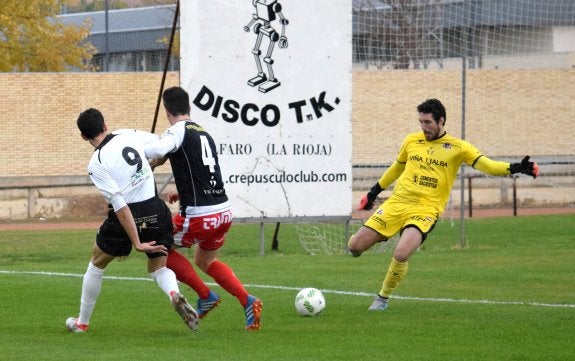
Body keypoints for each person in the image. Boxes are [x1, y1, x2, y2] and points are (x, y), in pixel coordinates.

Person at [348, 98, 539, 311]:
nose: (423, 127)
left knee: (402, 253)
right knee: (354, 246)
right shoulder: (411, 141)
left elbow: (488, 165)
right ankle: (357, 247)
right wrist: (373, 193)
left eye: (428, 122)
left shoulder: (458, 147)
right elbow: (396, 168)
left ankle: (382, 298)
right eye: (420, 122)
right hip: (397, 203)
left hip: (426, 209)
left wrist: (515, 168)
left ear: (441, 121)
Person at [66, 108, 199, 333]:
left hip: (128, 215)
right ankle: (174, 294)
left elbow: (119, 204)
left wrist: (136, 242)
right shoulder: (126, 135)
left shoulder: (96, 164)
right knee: (158, 267)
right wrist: (152, 165)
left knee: (97, 263)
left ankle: (82, 323)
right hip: (157, 210)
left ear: (83, 137)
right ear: (105, 125)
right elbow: (162, 147)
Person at [144, 87, 262, 330]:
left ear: (167, 111)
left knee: (156, 247)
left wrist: (133, 152)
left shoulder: (176, 131)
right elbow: (203, 171)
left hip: (200, 215)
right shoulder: (203, 132)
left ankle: (206, 296)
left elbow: (156, 150)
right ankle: (247, 301)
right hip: (223, 212)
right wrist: (183, 191)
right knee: (204, 259)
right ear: (188, 108)